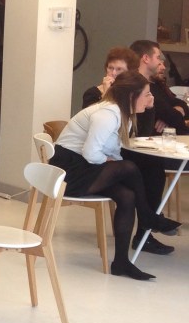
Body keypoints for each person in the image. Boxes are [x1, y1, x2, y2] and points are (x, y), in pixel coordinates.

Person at [50, 71, 181, 281]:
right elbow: (91, 154)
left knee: (127, 195)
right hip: (67, 172)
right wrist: (112, 163)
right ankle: (147, 215)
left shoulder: (122, 114)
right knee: (128, 167)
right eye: (146, 94)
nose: (151, 99)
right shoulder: (108, 114)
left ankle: (121, 262)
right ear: (131, 96)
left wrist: (113, 161)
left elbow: (113, 151)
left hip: (83, 166)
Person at [127, 39, 187, 255]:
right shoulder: (140, 86)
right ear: (146, 58)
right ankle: (149, 225)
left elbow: (180, 107)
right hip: (141, 149)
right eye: (158, 57)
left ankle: (148, 226)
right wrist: (171, 116)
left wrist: (174, 113)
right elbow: (176, 120)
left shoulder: (156, 86)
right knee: (153, 169)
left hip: (155, 147)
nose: (162, 61)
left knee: (153, 169)